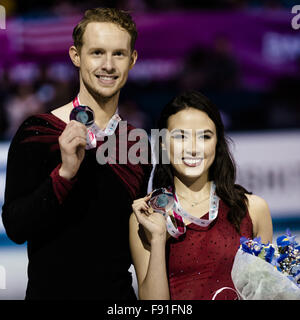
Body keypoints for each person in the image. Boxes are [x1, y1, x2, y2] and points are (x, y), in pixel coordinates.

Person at [2, 7, 152, 300]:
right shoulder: (39, 132)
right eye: (97, 52)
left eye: (118, 54)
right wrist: (65, 174)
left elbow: (134, 241)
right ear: (76, 56)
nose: (108, 65)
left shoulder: (137, 143)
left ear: (132, 60)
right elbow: (16, 227)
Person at [129, 90, 273, 300]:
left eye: (205, 136)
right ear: (162, 144)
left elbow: (267, 293)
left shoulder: (253, 209)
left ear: (217, 142)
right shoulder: (146, 216)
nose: (194, 148)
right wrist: (159, 238)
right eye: (180, 137)